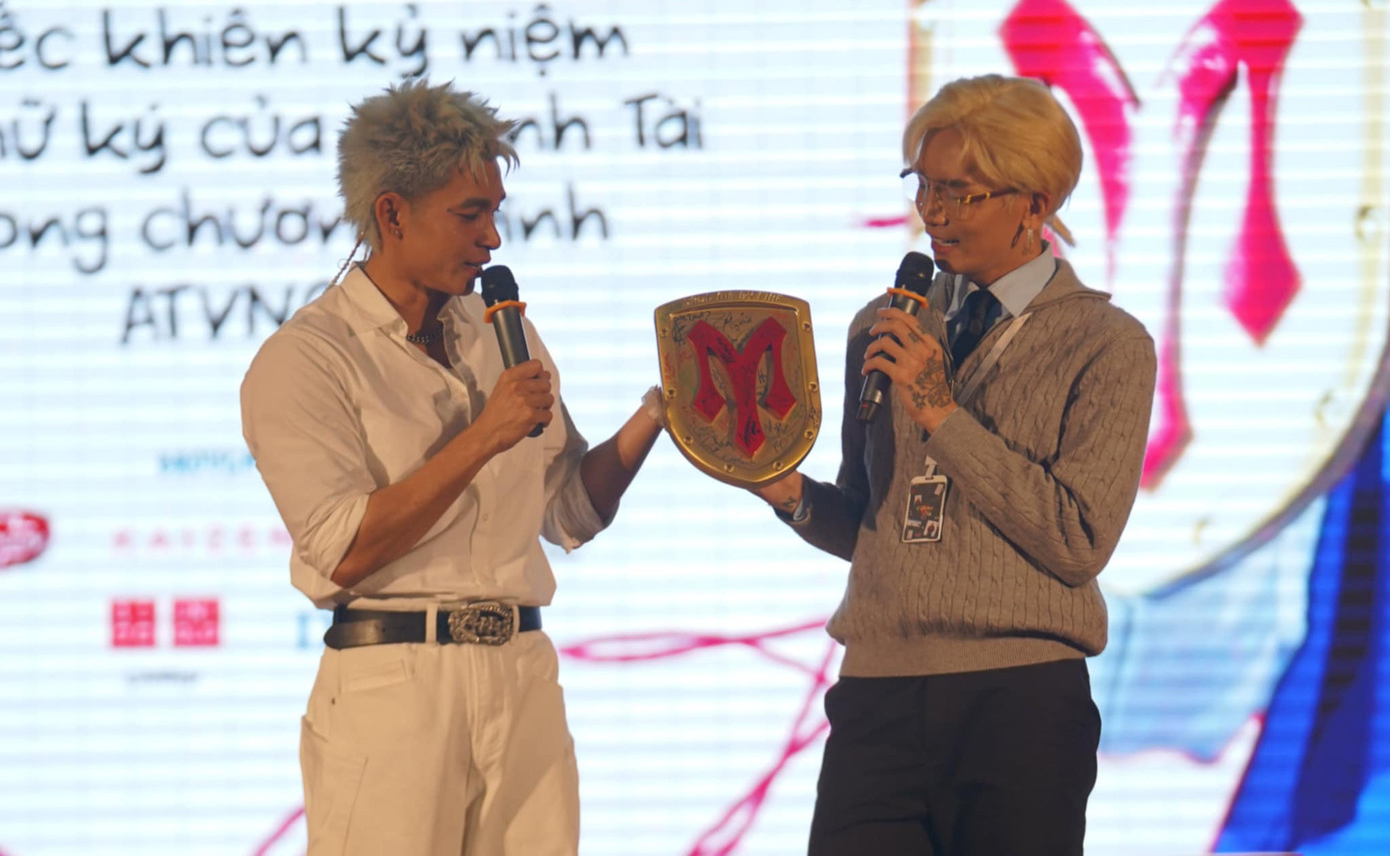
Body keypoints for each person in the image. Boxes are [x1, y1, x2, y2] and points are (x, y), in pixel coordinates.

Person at [240, 79, 665, 856]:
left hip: (522, 672)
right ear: (392, 214)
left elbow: (568, 511)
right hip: (394, 680)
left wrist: (660, 410)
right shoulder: (308, 358)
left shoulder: (502, 332)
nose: (493, 238)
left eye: (496, 212)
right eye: (470, 215)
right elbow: (342, 549)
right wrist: (483, 437)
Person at [749, 74, 1157, 855]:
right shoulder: (885, 325)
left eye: (959, 194)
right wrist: (788, 491)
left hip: (1020, 700)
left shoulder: (1106, 345)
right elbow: (870, 522)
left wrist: (942, 413)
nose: (932, 213)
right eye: (924, 186)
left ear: (1035, 203)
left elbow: (1078, 540)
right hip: (878, 692)